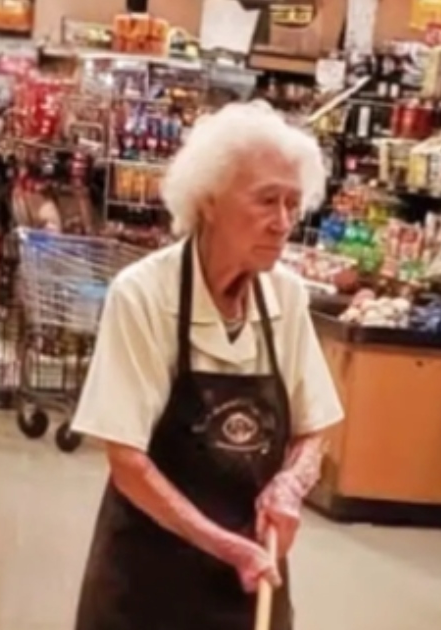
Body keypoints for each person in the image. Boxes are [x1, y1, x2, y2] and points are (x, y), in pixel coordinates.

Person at [70, 101, 344, 630]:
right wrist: (225, 545)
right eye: (267, 200)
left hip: (251, 580)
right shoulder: (144, 295)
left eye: (293, 204)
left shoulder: (286, 297)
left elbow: (315, 428)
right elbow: (127, 462)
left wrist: (291, 484)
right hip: (147, 585)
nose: (283, 223)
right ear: (210, 200)